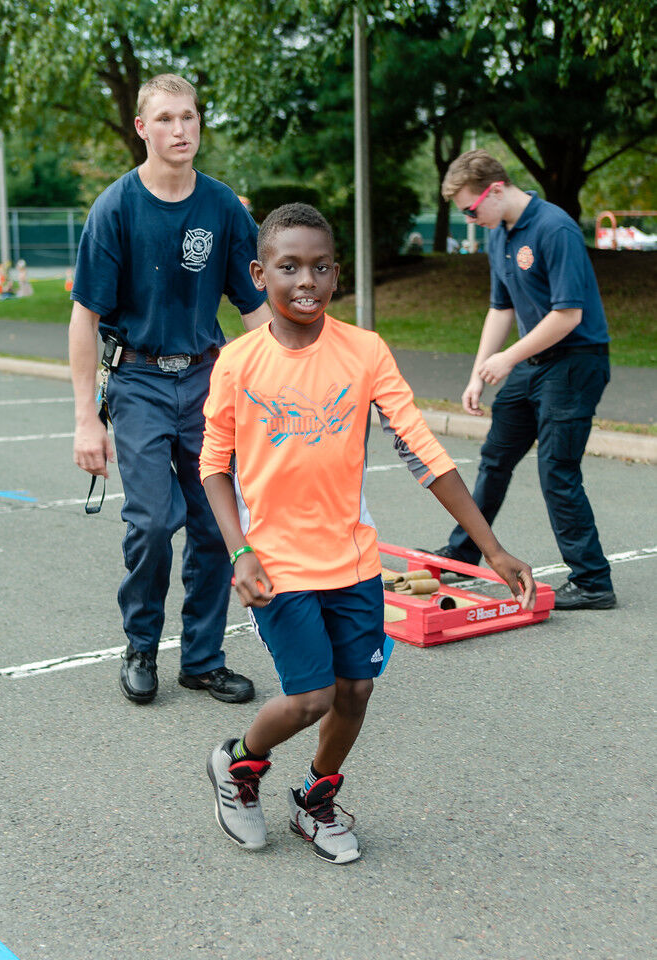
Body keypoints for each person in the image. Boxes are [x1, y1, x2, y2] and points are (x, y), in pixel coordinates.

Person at [199, 203, 536, 864]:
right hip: (277, 565)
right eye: (289, 266)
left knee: (355, 691)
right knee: (309, 698)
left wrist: (489, 547)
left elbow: (420, 452)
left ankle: (314, 800)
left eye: (321, 266)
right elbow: (213, 465)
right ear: (257, 273)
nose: (307, 281)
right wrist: (238, 552)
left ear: (335, 273)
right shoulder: (237, 362)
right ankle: (237, 764)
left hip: (351, 560)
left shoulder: (363, 351)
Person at [68, 74, 272, 705]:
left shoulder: (223, 209)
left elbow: (255, 310)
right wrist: (85, 419)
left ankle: (203, 658)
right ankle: (141, 646)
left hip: (210, 380)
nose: (180, 130)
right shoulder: (115, 208)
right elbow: (85, 317)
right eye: (165, 119)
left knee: (217, 525)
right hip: (138, 381)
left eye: (189, 117)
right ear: (142, 128)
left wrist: (281, 393)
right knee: (154, 523)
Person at [429, 150, 615, 610]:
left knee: (556, 470)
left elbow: (568, 315)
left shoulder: (555, 228)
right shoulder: (500, 235)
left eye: (471, 210)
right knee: (495, 458)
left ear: (494, 190)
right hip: (534, 362)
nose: (471, 220)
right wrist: (479, 374)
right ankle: (464, 551)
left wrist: (508, 358)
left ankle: (593, 581)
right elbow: (501, 308)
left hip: (575, 361)